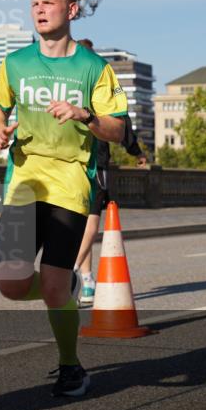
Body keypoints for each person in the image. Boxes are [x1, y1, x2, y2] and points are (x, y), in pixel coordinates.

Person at [0, 0, 127, 398]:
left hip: (69, 183)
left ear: (72, 9)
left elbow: (119, 130)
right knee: (10, 284)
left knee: (50, 284)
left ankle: (71, 366)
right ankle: (65, 288)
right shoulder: (15, 63)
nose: (39, 9)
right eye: (34, 3)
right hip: (24, 181)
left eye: (48, 2)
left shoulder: (94, 68)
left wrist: (87, 116)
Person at [71, 37, 148, 303]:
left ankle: (87, 281)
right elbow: (122, 123)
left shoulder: (67, 84)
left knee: (80, 223)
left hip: (68, 162)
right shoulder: (99, 83)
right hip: (94, 162)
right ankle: (70, 272)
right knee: (91, 221)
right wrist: (136, 152)